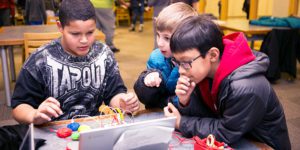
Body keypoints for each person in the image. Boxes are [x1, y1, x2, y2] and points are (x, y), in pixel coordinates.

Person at [164, 15, 291, 149]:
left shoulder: (245, 87)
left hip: (262, 145)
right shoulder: (205, 72)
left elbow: (225, 132)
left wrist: (181, 122)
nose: (180, 70)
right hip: (239, 136)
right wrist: (186, 101)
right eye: (178, 62)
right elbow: (209, 113)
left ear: (213, 55)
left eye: (185, 62)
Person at [11, 0, 140, 125]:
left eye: (90, 32)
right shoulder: (40, 60)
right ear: (60, 27)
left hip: (93, 129)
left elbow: (114, 93)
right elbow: (19, 106)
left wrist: (122, 103)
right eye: (75, 33)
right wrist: (33, 115)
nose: (84, 40)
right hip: (51, 131)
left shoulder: (104, 54)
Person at [134, 3, 198, 109]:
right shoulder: (156, 57)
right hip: (157, 115)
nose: (159, 43)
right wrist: (146, 80)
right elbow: (145, 97)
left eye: (167, 38)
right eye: (158, 35)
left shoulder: (194, 63)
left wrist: (163, 102)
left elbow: (192, 101)